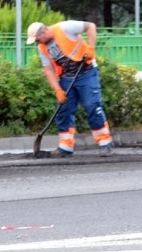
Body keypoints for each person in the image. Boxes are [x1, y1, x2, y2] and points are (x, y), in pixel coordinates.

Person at [26, 20, 114, 157]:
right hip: (67, 77)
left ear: (43, 32)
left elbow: (91, 26)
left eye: (38, 39)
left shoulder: (65, 27)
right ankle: (65, 147)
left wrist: (91, 48)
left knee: (92, 105)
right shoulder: (42, 47)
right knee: (64, 109)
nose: (38, 42)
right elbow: (48, 70)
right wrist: (58, 90)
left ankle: (105, 143)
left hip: (87, 72)